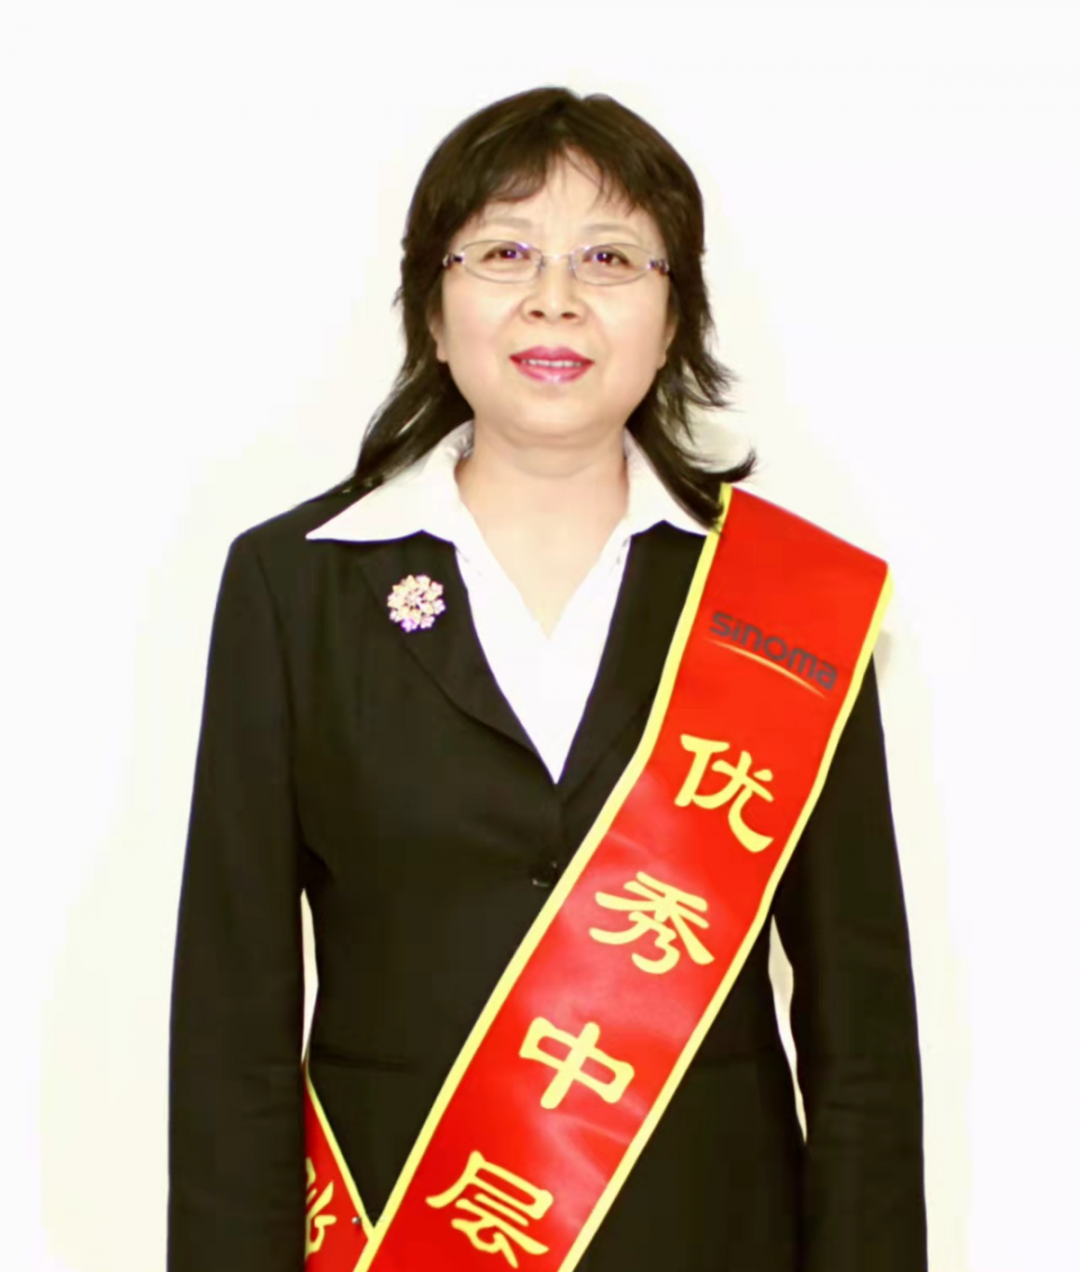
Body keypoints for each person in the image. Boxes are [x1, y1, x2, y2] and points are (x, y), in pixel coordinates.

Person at [167, 86, 927, 1272]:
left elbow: (863, 1037)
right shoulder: (294, 584)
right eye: (505, 251)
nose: (555, 296)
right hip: (399, 1231)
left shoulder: (786, 604)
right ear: (433, 309)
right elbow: (232, 1018)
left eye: (610, 257)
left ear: (674, 319)